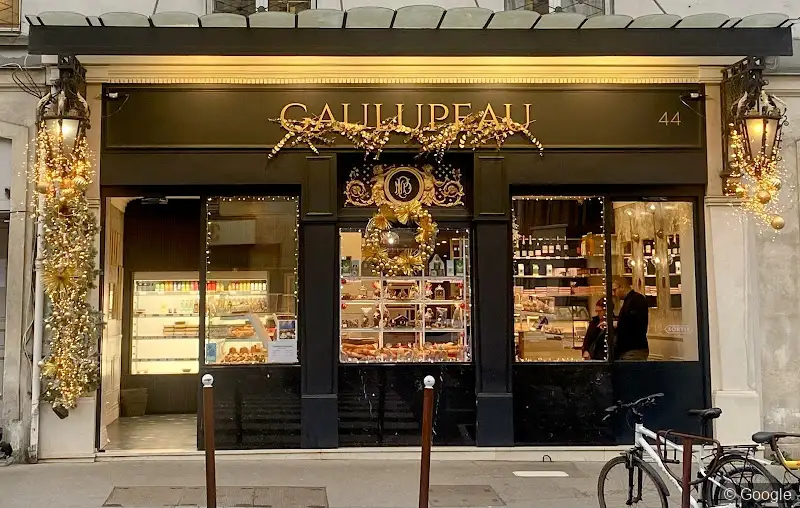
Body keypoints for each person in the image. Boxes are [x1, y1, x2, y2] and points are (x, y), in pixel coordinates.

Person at [611, 276, 649, 361]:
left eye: (614, 290)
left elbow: (637, 323)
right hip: (630, 349)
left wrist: (617, 324)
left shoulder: (636, 299)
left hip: (634, 349)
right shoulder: (630, 300)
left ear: (622, 287)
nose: (613, 294)